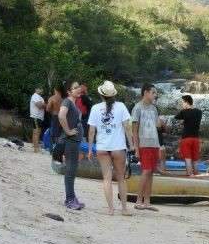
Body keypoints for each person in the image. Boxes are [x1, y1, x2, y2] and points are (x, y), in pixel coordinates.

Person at [87, 80, 133, 216]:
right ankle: (124, 209)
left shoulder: (95, 108)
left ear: (101, 95)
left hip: (102, 147)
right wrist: (131, 144)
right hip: (118, 147)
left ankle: (111, 209)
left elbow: (91, 131)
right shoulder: (121, 106)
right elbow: (127, 127)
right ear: (113, 95)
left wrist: (90, 149)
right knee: (121, 178)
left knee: (106, 178)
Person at [131, 83, 161, 211]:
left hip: (154, 143)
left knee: (151, 172)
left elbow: (157, 126)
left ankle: (147, 202)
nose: (155, 95)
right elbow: (134, 131)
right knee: (146, 170)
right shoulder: (137, 108)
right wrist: (136, 148)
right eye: (153, 92)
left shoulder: (154, 109)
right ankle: (138, 200)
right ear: (145, 93)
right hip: (144, 144)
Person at [57, 81, 85, 210]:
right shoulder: (67, 101)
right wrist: (68, 131)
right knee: (70, 171)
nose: (79, 89)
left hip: (74, 142)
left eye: (78, 87)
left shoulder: (73, 102)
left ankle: (73, 197)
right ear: (69, 91)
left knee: (72, 171)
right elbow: (61, 115)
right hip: (70, 141)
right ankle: (69, 200)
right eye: (75, 88)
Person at [174, 95, 203, 176]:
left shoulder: (184, 112)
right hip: (196, 139)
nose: (182, 104)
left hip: (186, 139)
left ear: (186, 102)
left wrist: (183, 111)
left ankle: (190, 176)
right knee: (195, 160)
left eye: (182, 102)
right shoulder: (199, 112)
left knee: (188, 159)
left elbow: (176, 117)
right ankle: (197, 176)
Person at [29, 87, 45, 153]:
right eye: (39, 88)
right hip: (36, 116)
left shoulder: (40, 97)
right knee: (36, 132)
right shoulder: (35, 96)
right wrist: (44, 105)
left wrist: (43, 105)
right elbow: (39, 105)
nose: (41, 90)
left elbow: (42, 105)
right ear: (36, 89)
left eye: (41, 89)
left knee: (37, 131)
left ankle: (35, 146)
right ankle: (36, 149)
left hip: (39, 117)